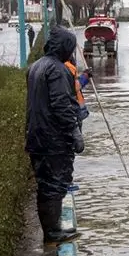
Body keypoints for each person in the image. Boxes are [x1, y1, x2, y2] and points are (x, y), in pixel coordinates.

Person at [25, 25, 85, 244]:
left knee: (45, 184)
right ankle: (52, 232)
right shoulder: (58, 70)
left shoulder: (35, 67)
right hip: (53, 139)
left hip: (36, 136)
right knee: (55, 183)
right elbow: (62, 105)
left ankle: (51, 229)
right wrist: (74, 131)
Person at [64, 54, 91, 127]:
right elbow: (75, 87)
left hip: (69, 111)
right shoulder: (68, 66)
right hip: (73, 111)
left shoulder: (59, 65)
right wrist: (85, 76)